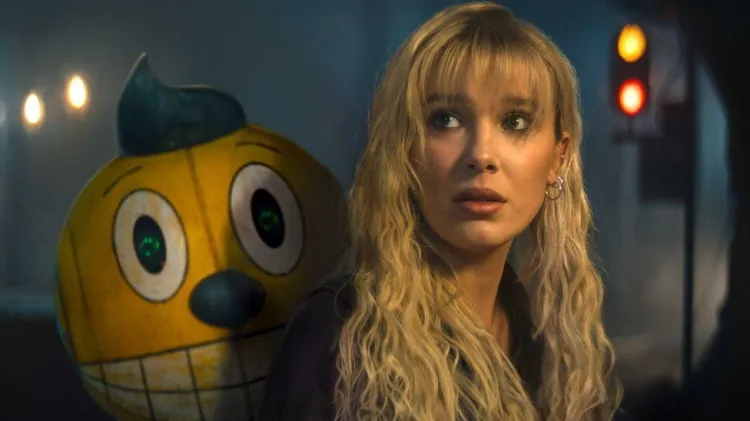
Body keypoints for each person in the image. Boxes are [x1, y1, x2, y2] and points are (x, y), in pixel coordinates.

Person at [259, 2, 629, 420]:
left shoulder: (545, 346)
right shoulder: (339, 333)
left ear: (558, 157)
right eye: (446, 120)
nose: (481, 155)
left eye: (515, 121)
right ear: (404, 150)